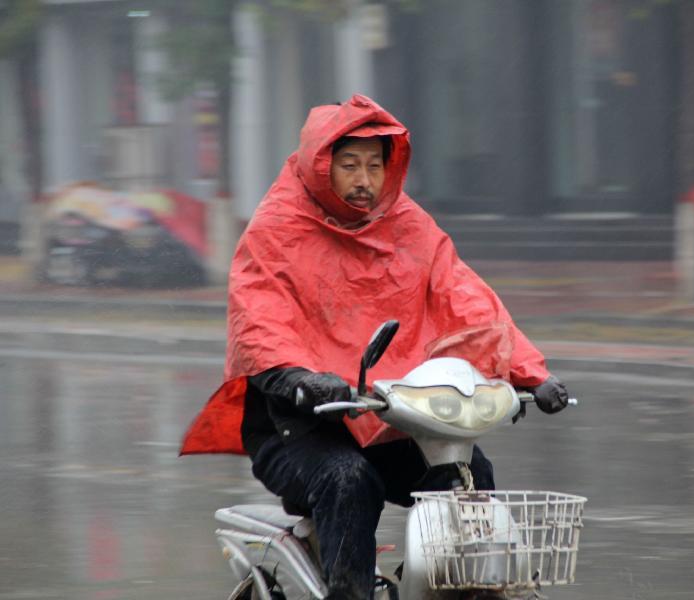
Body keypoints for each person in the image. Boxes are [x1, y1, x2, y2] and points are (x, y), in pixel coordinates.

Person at [181, 94, 569, 599]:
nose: (364, 180)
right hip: (297, 426)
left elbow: (464, 297)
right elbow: (261, 323)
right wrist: (299, 378)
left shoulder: (407, 224)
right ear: (322, 166)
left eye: (374, 165)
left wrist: (530, 373)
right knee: (349, 480)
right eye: (349, 165)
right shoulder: (277, 228)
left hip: (390, 418)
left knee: (468, 474)